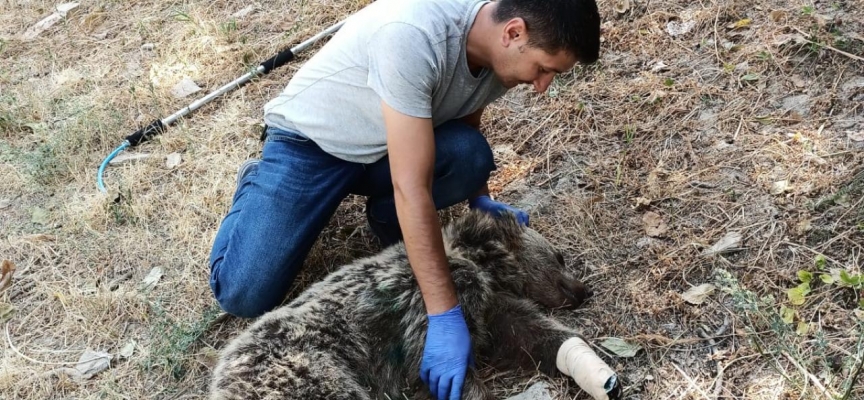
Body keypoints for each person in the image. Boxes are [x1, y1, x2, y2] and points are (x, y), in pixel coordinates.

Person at [209, 0, 600, 398]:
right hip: (313, 143)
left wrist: (478, 197)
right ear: (513, 32)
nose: (542, 85)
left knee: (471, 156)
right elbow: (411, 188)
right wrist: (445, 315)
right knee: (243, 292)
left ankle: (385, 215)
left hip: (388, 144)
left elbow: (465, 120)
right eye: (544, 69)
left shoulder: (501, 54)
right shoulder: (412, 34)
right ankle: (257, 185)